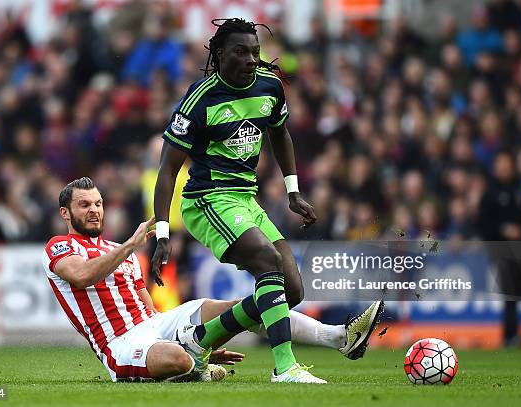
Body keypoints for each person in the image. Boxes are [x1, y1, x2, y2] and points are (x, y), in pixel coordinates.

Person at [151, 18, 383, 384]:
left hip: (245, 198)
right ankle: (285, 367)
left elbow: (281, 135)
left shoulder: (270, 87)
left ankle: (198, 341)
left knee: (290, 290)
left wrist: (292, 190)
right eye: (241, 52)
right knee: (267, 260)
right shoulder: (199, 99)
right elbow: (166, 171)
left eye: (255, 52)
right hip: (207, 201)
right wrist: (163, 232)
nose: (250, 59)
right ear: (220, 53)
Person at [43, 177, 382, 383]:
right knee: (176, 359)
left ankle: (339, 337)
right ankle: (190, 361)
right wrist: (132, 244)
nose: (94, 210)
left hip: (158, 324)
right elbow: (83, 276)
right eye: (85, 204)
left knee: (231, 309)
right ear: (65, 213)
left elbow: (146, 306)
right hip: (118, 344)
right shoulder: (59, 246)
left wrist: (206, 338)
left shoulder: (121, 251)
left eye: (99, 203)